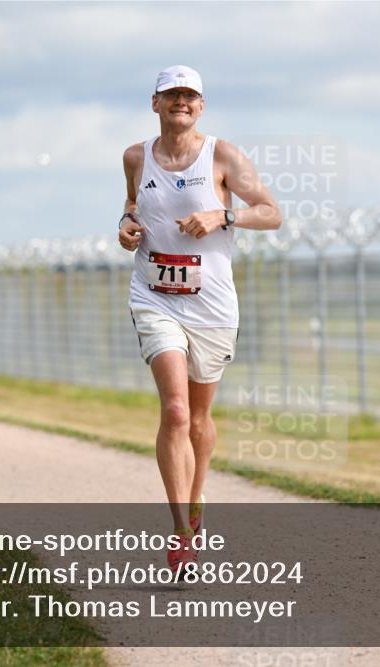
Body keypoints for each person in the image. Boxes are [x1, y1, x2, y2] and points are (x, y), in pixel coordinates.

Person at [118, 65, 281, 575]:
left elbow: (271, 211)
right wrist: (124, 225)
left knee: (201, 418)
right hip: (154, 295)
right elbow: (132, 206)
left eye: (190, 96)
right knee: (175, 411)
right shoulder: (135, 156)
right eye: (172, 95)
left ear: (201, 105)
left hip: (210, 303)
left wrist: (223, 216)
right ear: (155, 102)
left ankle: (195, 500)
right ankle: (182, 535)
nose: (180, 103)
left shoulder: (224, 155)